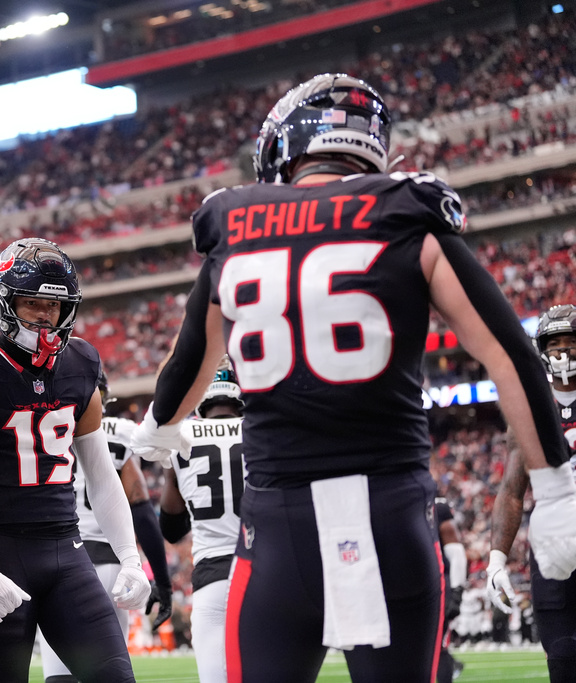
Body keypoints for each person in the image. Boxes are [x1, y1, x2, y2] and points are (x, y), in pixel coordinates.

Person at [127, 72, 576, 682]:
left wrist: (158, 428)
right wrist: (553, 493)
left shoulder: (234, 226)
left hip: (278, 530)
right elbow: (512, 357)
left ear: (283, 146)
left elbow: (186, 367)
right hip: (392, 515)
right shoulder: (406, 213)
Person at [0, 237, 152, 683]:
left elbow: (99, 469)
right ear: (3, 302)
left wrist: (129, 556)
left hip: (66, 551)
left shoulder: (80, 362)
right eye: (32, 303)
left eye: (55, 305)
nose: (46, 316)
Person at [37, 370, 173, 683]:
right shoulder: (121, 430)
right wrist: (162, 581)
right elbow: (139, 506)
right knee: (110, 673)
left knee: (60, 675)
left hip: (57, 558)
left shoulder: (40, 423)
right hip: (110, 562)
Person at [488, 303, 576, 682]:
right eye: (554, 343)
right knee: (562, 656)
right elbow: (511, 490)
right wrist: (495, 559)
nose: (563, 351)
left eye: (570, 342)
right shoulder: (531, 408)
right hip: (552, 546)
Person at [158, 359, 244, 683]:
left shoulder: (181, 436)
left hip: (213, 578)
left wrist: (173, 472)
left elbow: (172, 528)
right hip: (263, 572)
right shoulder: (260, 431)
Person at [435, 497, 467, 683]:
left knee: (439, 645)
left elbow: (456, 554)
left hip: (439, 587)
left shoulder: (438, 508)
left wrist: (457, 592)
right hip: (415, 585)